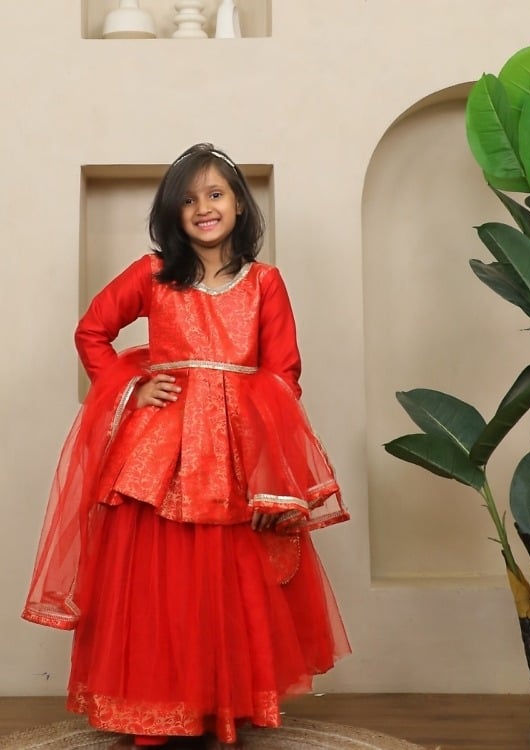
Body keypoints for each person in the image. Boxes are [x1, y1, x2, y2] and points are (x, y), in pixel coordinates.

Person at [22, 143, 350, 749]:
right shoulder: (152, 274)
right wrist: (132, 387)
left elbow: (283, 376)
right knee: (158, 580)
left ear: (239, 205)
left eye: (216, 194)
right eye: (189, 199)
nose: (204, 208)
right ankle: (156, 708)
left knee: (229, 581)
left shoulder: (266, 283)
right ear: (172, 213)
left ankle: (222, 705)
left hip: (237, 452)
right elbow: (92, 331)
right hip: (162, 453)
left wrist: (270, 472)